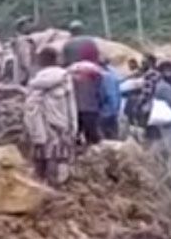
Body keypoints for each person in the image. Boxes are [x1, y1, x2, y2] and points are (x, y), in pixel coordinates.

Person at [24, 47, 78, 185]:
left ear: (41, 61)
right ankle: (55, 187)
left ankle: (39, 187)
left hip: (40, 126)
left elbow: (28, 106)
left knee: (41, 157)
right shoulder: (64, 77)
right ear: (56, 60)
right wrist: (74, 125)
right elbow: (70, 103)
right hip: (60, 124)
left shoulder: (35, 80)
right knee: (58, 156)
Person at [65, 38, 104, 146]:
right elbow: (101, 91)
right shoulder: (96, 70)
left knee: (75, 138)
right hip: (91, 109)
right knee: (93, 138)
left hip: (74, 110)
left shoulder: (70, 70)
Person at [98, 60, 123, 140]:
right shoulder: (113, 75)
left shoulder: (101, 76)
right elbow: (118, 93)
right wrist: (118, 108)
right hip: (114, 110)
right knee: (114, 137)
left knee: (103, 137)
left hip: (104, 111)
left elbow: (102, 95)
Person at [12, 17, 36, 85]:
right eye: (28, 25)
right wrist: (31, 74)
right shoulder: (23, 41)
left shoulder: (22, 39)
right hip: (25, 76)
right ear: (22, 28)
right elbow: (25, 60)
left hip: (23, 74)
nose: (30, 26)